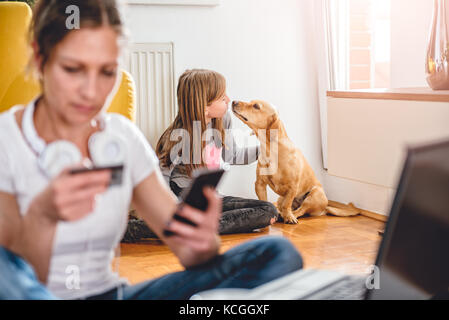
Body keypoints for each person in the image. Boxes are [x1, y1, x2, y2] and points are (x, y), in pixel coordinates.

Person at [0, 0, 302, 300]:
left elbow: (188, 248)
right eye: (73, 69)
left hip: (113, 295)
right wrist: (42, 217)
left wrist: (201, 238)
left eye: (107, 71)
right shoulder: (6, 140)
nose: (91, 91)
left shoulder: (122, 137)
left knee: (276, 253)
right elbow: (15, 277)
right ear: (40, 58)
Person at [154, 69, 279, 235]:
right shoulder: (177, 136)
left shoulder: (223, 120)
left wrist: (266, 149)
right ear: (205, 107)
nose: (228, 99)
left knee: (268, 209)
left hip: (211, 198)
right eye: (222, 97)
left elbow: (233, 155)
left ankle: (191, 227)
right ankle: (181, 224)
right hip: (184, 198)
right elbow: (160, 180)